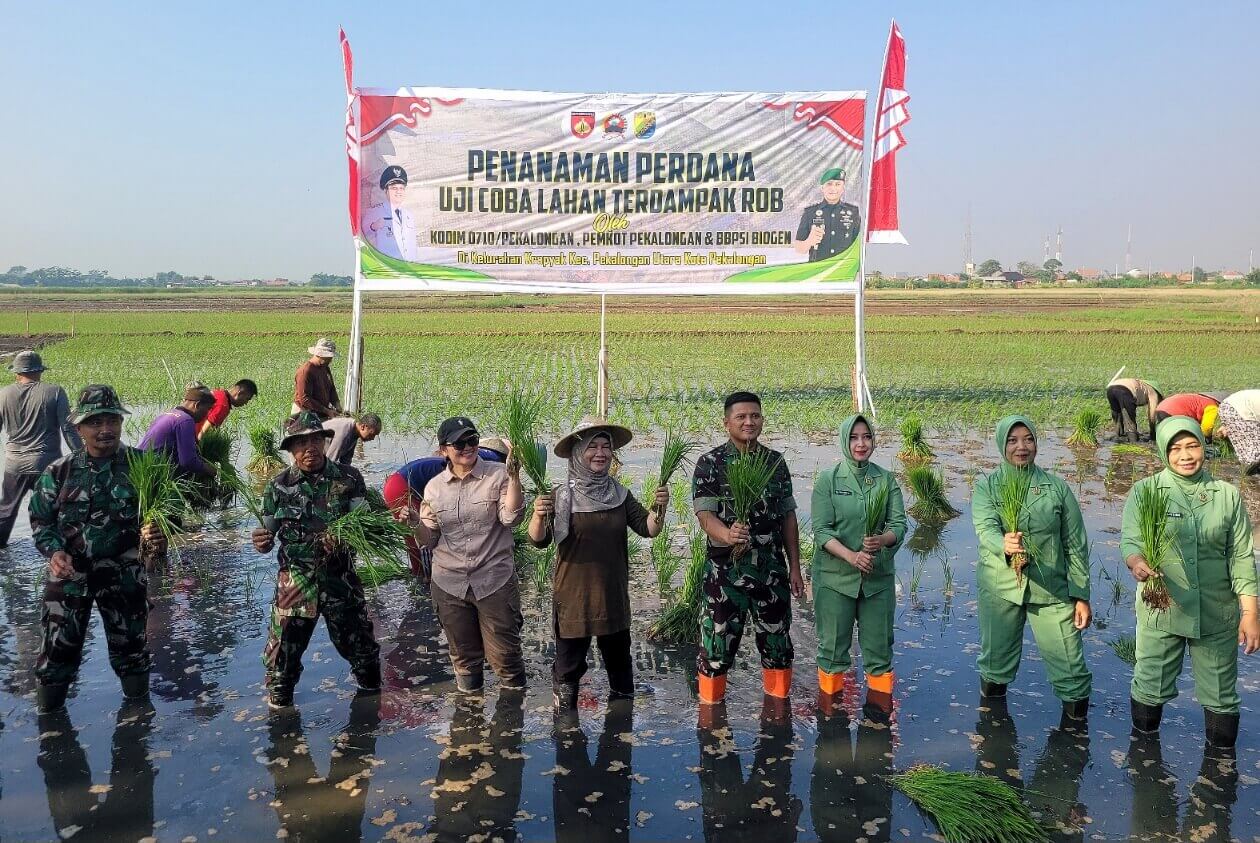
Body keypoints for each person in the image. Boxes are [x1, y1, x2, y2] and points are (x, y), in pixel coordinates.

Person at [29, 385, 167, 713]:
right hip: (70, 575)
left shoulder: (143, 466)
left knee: (132, 651)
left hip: (124, 575)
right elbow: (40, 520)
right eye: (95, 422)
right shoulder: (58, 472)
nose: (104, 430)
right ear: (79, 428)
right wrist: (53, 552)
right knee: (57, 653)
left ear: (121, 423)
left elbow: (167, 512)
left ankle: (137, 731)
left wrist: (157, 532)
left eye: (111, 421)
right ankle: (50, 728)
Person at [1122, 417, 1259, 749]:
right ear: (1163, 452)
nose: (1185, 455)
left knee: (1221, 693)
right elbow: (1131, 542)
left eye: (1192, 445)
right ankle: (1144, 761)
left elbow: (1241, 555)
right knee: (1150, 683)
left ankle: (1219, 772)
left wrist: (1250, 613)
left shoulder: (1226, 495)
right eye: (1175, 448)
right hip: (1162, 607)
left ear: (1203, 446)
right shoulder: (1146, 491)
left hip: (1216, 612)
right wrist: (1138, 564)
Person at [527, 417, 668, 709]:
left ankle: (620, 727)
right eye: (593, 447)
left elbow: (648, 528)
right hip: (573, 598)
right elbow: (539, 541)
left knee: (620, 666)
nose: (601, 453)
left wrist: (659, 507)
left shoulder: (619, 494)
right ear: (578, 454)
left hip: (612, 596)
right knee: (568, 669)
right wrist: (538, 515)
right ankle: (565, 730)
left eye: (606, 446)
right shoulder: (561, 496)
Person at [250, 412, 381, 709]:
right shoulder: (278, 486)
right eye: (300, 442)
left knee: (362, 651)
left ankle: (372, 712)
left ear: (323, 442)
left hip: (340, 579)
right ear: (290, 448)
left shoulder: (349, 478)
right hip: (296, 582)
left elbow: (363, 525)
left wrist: (345, 538)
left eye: (314, 439)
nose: (308, 447)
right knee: (282, 659)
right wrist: (261, 541)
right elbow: (266, 537)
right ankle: (281, 726)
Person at [971, 415, 1093, 721]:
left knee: (1071, 669)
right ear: (1001, 444)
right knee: (995, 664)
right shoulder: (987, 487)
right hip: (1001, 587)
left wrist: (1080, 595)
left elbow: (1075, 544)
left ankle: (1074, 741)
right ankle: (994, 741)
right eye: (1012, 440)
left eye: (1028, 439)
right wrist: (1004, 543)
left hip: (1051, 589)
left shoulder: (1056, 488)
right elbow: (985, 529)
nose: (1021, 447)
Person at [692, 391, 803, 706]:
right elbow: (704, 515)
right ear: (727, 423)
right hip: (725, 573)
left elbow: (788, 517)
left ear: (762, 420)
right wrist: (728, 535)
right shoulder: (710, 463)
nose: (748, 422)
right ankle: (710, 719)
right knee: (716, 648)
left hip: (771, 571)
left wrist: (795, 567)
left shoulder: (775, 463)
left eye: (754, 416)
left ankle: (779, 713)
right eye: (741, 417)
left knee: (778, 645)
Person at [413, 417, 526, 693]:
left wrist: (514, 476)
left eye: (472, 440)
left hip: (494, 581)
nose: (468, 447)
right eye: (459, 443)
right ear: (443, 450)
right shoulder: (434, 487)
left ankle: (511, 722)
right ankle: (468, 720)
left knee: (506, 657)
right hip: (449, 584)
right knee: (463, 658)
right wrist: (413, 524)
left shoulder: (498, 474)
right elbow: (430, 538)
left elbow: (511, 518)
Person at [811, 414, 907, 721]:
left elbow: (899, 524)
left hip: (877, 580)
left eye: (866, 437)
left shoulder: (885, 479)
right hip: (835, 579)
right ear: (844, 440)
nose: (861, 443)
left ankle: (878, 725)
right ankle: (831, 723)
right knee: (833, 651)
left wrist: (882, 540)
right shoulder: (829, 479)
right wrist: (852, 557)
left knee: (879, 651)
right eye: (854, 437)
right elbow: (822, 531)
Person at [383, 437, 509, 579]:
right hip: (402, 487)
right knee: (419, 531)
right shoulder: (492, 462)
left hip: (396, 482)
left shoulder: (474, 456)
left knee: (418, 533)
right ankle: (425, 578)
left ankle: (422, 574)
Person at [0, 350, 81, 548]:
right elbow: (68, 428)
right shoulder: (55, 392)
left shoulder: (3, 394)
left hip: (14, 463)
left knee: (6, 511)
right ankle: (59, 554)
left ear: (17, 373)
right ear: (40, 371)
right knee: (56, 511)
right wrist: (81, 456)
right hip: (48, 464)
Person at [137, 383, 217, 480]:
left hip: (141, 467)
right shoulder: (185, 420)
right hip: (153, 473)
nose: (207, 414)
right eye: (208, 409)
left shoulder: (167, 414)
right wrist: (211, 470)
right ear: (197, 405)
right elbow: (188, 462)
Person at [793, 167, 861, 262]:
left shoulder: (853, 212)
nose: (833, 188)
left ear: (843, 188)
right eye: (829, 184)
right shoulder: (810, 213)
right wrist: (809, 241)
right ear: (822, 188)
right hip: (818, 271)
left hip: (844, 270)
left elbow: (859, 245)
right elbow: (799, 249)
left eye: (837, 184)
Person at [362, 165, 418, 261]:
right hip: (388, 268)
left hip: (410, 269)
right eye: (394, 188)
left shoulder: (409, 215)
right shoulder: (375, 212)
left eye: (401, 188)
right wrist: (373, 227)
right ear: (385, 190)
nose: (398, 192)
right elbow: (362, 234)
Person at [292, 338, 342, 419]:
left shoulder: (325, 368)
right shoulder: (305, 371)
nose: (330, 360)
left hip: (320, 412)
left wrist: (337, 406)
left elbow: (331, 389)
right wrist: (327, 411)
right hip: (304, 415)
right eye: (328, 356)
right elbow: (305, 399)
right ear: (319, 354)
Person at [1106, 375, 1163, 443]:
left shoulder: (1142, 385)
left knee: (1117, 415)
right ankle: (1133, 443)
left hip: (1111, 389)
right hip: (1125, 390)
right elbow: (1152, 415)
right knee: (1130, 421)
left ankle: (1118, 437)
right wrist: (1153, 434)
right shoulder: (1154, 392)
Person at [1216, 388, 1260, 474]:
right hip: (1238, 409)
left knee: (1252, 452)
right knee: (1256, 453)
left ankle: (1249, 473)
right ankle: (1249, 475)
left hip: (1231, 407)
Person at [1154, 392, 1226, 439]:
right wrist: (1208, 438)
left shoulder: (1198, 397)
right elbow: (1207, 428)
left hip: (1160, 408)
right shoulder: (1212, 406)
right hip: (1174, 412)